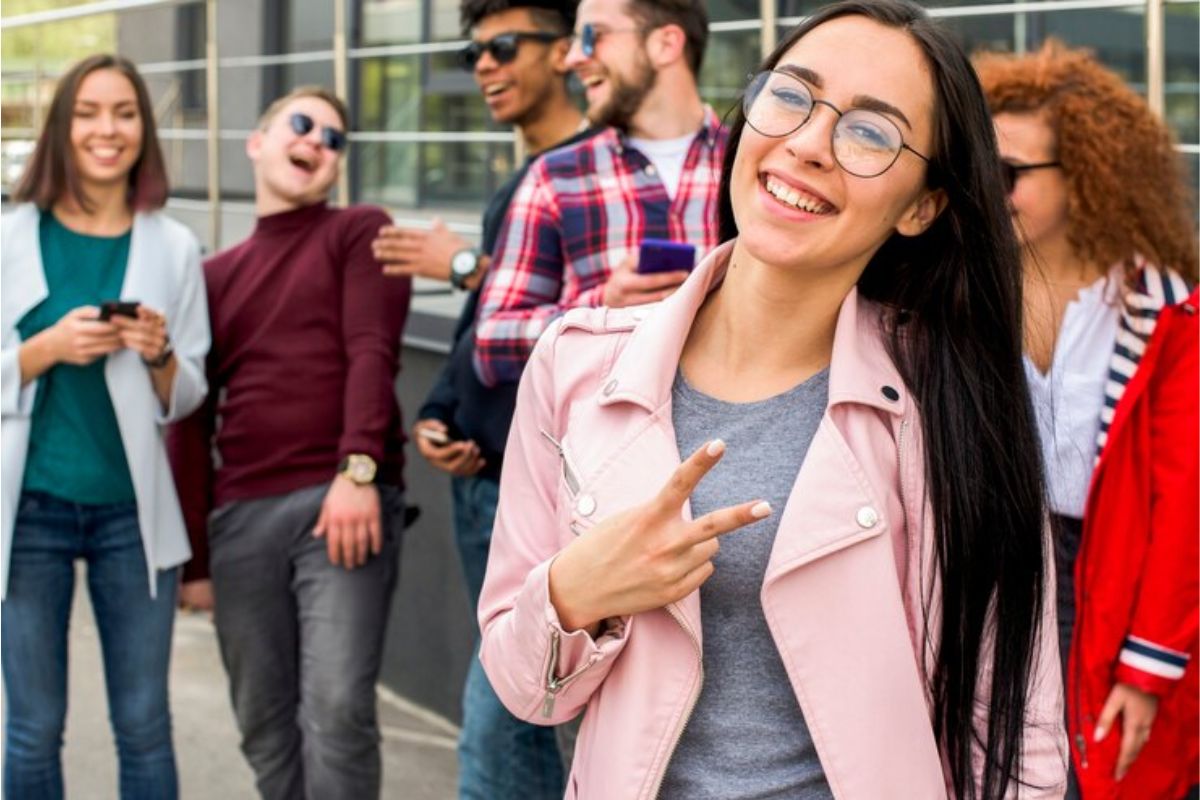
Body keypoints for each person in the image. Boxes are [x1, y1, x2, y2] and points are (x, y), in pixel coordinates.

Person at [477, 1, 1069, 797]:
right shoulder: (576, 364)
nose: (808, 144)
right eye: (792, 96)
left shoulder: (953, 399)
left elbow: (1015, 727)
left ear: (923, 205)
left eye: (871, 133)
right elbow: (523, 689)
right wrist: (577, 590)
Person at [371, 1, 592, 797]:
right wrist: (439, 413)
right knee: (513, 711)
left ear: (568, 50)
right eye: (473, 54)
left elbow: (600, 317)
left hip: (541, 491)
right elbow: (484, 329)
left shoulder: (592, 172)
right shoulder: (523, 177)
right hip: (482, 477)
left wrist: (466, 260)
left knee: (498, 731)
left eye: (502, 47)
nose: (485, 68)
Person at [166, 86, 411, 800]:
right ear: (257, 140)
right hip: (240, 518)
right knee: (262, 721)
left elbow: (373, 350)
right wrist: (195, 561)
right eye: (302, 126)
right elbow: (188, 419)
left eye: (335, 140)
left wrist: (358, 470)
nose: (317, 144)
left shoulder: (358, 230)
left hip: (343, 501)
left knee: (336, 709)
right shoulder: (209, 277)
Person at [976, 41, 1198, 799]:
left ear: (1089, 176)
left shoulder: (1166, 312)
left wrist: (1147, 667)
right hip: (999, 577)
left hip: (1114, 582)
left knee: (1105, 775)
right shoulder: (963, 296)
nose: (986, 190)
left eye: (1007, 174)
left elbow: (1185, 509)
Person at [1, 54, 209, 799]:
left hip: (132, 516)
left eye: (123, 112)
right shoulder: (9, 236)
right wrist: (43, 350)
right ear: (61, 127)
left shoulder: (174, 246)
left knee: (144, 721)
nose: (106, 129)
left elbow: (187, 393)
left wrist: (156, 353)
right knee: (31, 726)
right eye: (88, 111)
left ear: (142, 131)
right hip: (28, 512)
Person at [471, 0, 725, 389]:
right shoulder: (554, 177)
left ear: (665, 44)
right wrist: (602, 307)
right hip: (593, 445)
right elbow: (491, 347)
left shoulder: (752, 165)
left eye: (592, 36)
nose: (574, 58)